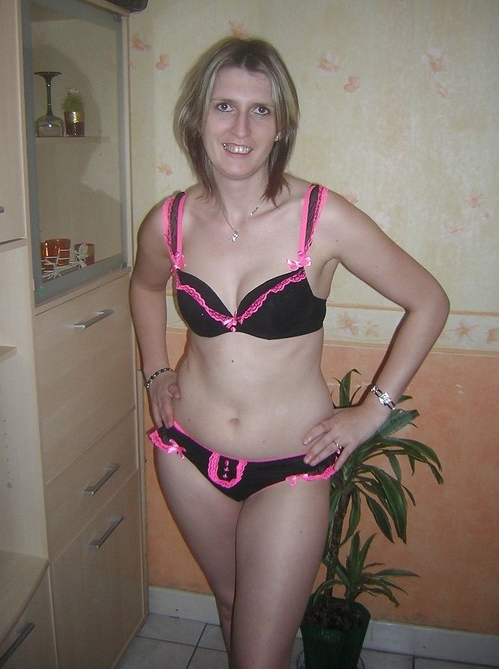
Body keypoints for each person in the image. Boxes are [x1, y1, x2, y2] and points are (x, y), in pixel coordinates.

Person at [130, 37, 449, 669]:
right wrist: (155, 370)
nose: (240, 128)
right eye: (224, 106)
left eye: (261, 110)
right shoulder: (169, 221)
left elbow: (428, 301)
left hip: (291, 467)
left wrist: (373, 409)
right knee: (230, 605)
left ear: (282, 126)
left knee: (259, 654)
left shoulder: (320, 217)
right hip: (187, 454)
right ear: (197, 117)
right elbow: (143, 287)